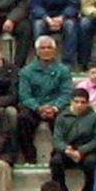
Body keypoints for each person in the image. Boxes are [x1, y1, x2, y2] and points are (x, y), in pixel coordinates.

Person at [16, 36, 73, 164]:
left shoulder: (63, 70)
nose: (46, 50)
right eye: (42, 48)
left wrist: (54, 107)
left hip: (55, 108)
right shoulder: (26, 71)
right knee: (22, 118)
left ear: (54, 50)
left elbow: (67, 93)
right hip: (34, 108)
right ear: (37, 51)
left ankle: (57, 154)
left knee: (65, 117)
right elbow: (24, 95)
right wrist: (38, 108)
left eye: (49, 47)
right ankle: (30, 156)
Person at [50, 89, 96, 191]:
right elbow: (57, 139)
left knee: (92, 162)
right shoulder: (62, 117)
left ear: (88, 103)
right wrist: (67, 149)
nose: (79, 105)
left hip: (86, 151)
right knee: (56, 162)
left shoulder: (95, 117)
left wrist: (81, 151)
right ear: (71, 102)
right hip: (67, 151)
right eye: (76, 102)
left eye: (82, 102)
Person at [27, 0, 80, 67]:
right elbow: (34, 5)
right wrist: (46, 18)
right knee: (38, 26)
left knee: (70, 25)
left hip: (64, 16)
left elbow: (73, 4)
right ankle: (41, 63)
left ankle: (68, 65)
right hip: (43, 16)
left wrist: (62, 17)